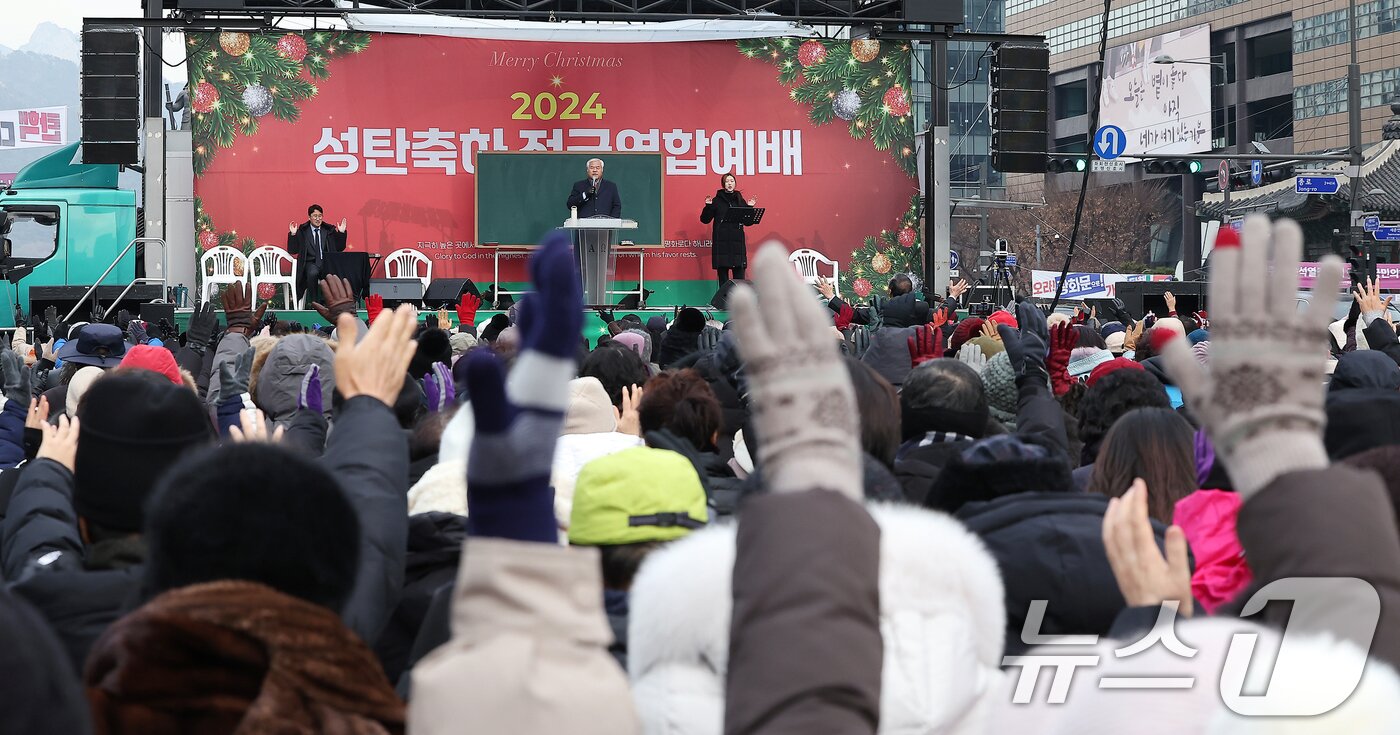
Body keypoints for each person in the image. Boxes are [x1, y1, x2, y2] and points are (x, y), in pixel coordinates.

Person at [699, 173, 757, 284]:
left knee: (739, 279)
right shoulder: (716, 201)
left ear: (735, 183)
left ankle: (740, 301)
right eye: (727, 181)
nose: (730, 183)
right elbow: (705, 220)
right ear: (723, 184)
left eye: (732, 181)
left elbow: (748, 222)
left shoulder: (740, 200)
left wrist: (750, 207)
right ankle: (723, 301)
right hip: (722, 244)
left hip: (737, 245)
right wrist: (708, 206)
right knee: (723, 279)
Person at [287, 204, 348, 304]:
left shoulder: (328, 231)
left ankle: (332, 303)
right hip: (310, 263)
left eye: (320, 216)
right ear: (309, 217)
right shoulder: (303, 231)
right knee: (312, 273)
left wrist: (341, 233)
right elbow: (293, 250)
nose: (318, 219)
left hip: (326, 263)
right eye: (315, 216)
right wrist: (293, 234)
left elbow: (339, 248)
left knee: (335, 273)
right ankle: (315, 302)